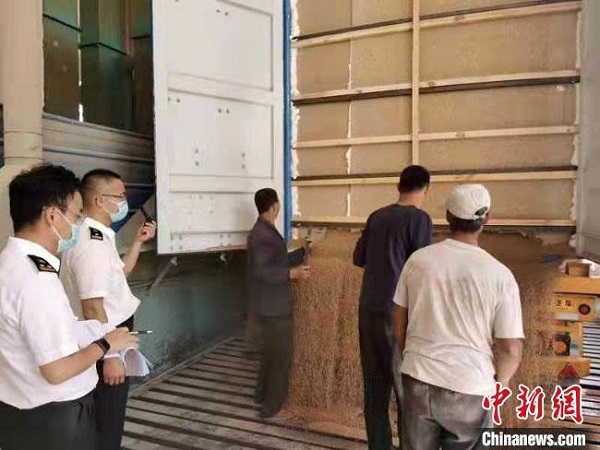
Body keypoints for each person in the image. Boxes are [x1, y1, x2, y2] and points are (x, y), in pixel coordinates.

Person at [0, 164, 138, 450]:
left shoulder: (10, 262)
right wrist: (106, 345)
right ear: (52, 216)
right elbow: (56, 371)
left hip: (22, 408)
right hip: (55, 417)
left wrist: (83, 330)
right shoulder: (36, 280)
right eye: (76, 216)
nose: (78, 225)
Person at [392, 184, 524, 450]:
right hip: (471, 386)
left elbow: (398, 321)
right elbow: (510, 348)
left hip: (419, 379)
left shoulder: (418, 261)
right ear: (487, 218)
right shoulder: (500, 275)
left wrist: (414, 355)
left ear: (448, 216)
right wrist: (500, 383)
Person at [59, 169, 156, 450]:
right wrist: (111, 354)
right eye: (121, 196)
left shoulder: (100, 236)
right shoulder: (92, 242)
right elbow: (92, 306)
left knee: (109, 414)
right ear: (100, 200)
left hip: (110, 336)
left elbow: (119, 275)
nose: (125, 201)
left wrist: (138, 241)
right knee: (107, 418)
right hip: (105, 339)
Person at [353, 165, 432, 450]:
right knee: (406, 391)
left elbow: (358, 257)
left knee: (374, 390)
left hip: (368, 310)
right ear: (425, 189)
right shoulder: (420, 220)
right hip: (398, 314)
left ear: (399, 186)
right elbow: (423, 269)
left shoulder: (376, 216)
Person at [247, 188, 309, 419]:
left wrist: (303, 251)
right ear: (275, 206)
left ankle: (261, 395)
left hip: (268, 306)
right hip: (274, 308)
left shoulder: (263, 230)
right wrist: (292, 274)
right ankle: (272, 406)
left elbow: (277, 259)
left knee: (270, 354)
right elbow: (262, 271)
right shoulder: (262, 235)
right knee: (281, 358)